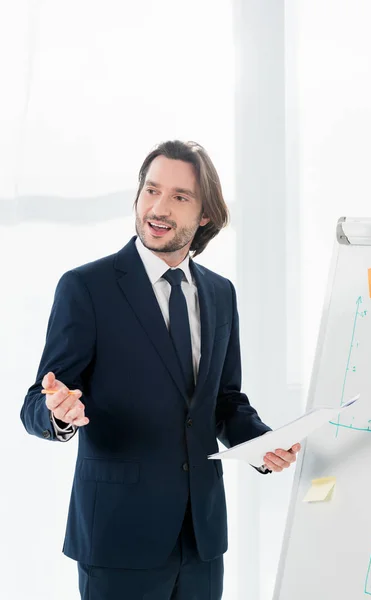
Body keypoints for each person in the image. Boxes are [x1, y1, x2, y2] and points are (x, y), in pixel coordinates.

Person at [20, 140, 300, 600]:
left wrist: (260, 443)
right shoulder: (87, 288)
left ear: (205, 214)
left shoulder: (219, 294)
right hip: (118, 537)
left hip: (202, 539)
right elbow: (39, 399)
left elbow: (225, 401)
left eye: (179, 197)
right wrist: (57, 412)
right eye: (151, 190)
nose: (159, 207)